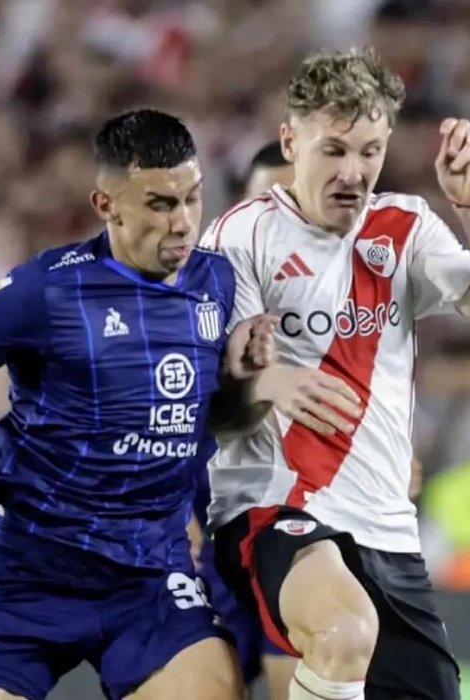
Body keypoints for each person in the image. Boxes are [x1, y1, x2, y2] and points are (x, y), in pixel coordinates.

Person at [0, 109, 362, 700]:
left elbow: (222, 422)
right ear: (107, 205)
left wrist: (243, 383)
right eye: (159, 204)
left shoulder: (220, 284)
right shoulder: (46, 290)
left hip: (150, 578)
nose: (183, 222)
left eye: (191, 198)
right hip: (31, 574)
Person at [202, 49, 470, 700]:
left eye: (369, 151)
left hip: (384, 525)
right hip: (276, 511)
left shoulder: (404, 227)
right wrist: (267, 384)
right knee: (344, 632)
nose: (352, 172)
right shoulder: (241, 237)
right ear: (290, 142)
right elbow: (215, 403)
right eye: (333, 150)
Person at [188, 142, 298, 700]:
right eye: (265, 204)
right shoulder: (195, 303)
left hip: (301, 540)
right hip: (207, 544)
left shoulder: (349, 306)